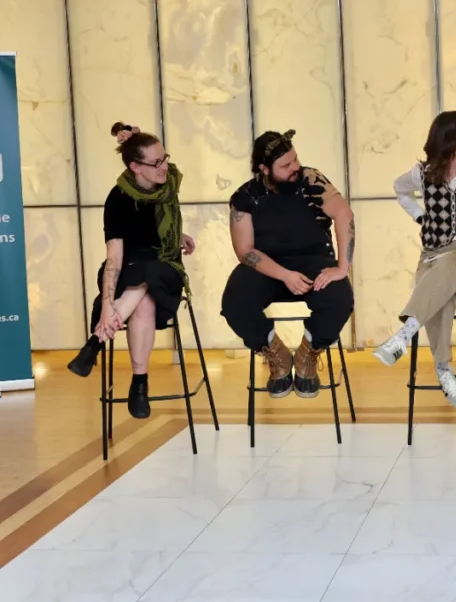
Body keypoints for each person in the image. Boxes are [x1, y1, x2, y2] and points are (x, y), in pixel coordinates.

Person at [371, 111, 456, 410]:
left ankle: (404, 335)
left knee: (448, 266)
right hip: (434, 259)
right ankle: (445, 370)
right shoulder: (422, 174)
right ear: (447, 139)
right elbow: (399, 189)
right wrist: (420, 215)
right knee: (439, 287)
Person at [67, 123, 195, 419]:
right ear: (136, 167)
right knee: (143, 301)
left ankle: (94, 344)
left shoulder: (169, 184)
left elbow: (161, 225)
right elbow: (114, 255)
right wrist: (106, 302)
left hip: (166, 264)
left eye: (165, 158)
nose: (165, 166)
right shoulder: (119, 199)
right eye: (157, 162)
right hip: (129, 266)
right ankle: (139, 384)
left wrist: (179, 235)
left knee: (148, 275)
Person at [221, 129, 354, 399]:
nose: (295, 168)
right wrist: (284, 275)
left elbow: (343, 213)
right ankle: (274, 351)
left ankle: (308, 352)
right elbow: (245, 252)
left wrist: (342, 267)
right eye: (285, 165)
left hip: (315, 261)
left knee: (340, 299)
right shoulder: (245, 197)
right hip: (268, 268)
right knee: (235, 303)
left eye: (295, 160)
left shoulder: (310, 179)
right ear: (264, 169)